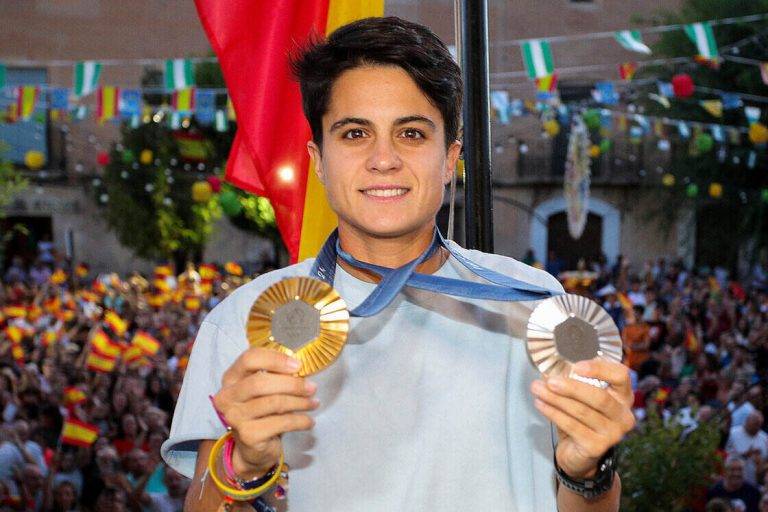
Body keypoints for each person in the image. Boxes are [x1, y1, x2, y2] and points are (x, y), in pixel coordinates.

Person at [162, 16, 634, 512]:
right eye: (354, 134)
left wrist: (587, 475)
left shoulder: (535, 307)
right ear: (318, 159)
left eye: (410, 133)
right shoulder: (246, 320)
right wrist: (243, 464)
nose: (383, 159)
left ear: (450, 158)